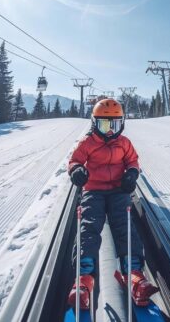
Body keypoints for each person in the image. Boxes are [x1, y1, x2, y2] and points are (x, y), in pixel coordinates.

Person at [67, 98, 158, 309]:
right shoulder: (87, 142)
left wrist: (132, 173)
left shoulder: (124, 143)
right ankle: (84, 277)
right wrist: (77, 170)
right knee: (89, 224)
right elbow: (75, 160)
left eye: (114, 125)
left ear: (122, 124)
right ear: (94, 123)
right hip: (94, 190)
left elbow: (133, 160)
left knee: (124, 225)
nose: (109, 131)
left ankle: (133, 272)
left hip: (118, 190)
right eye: (104, 125)